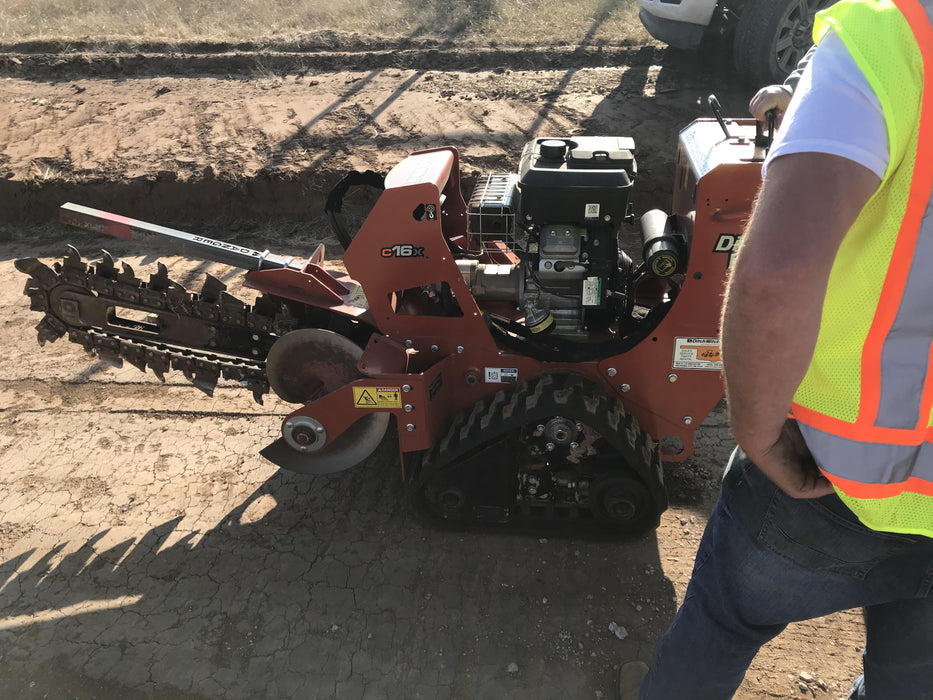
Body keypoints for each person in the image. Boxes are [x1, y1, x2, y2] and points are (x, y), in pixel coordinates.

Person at [619, 0, 933, 697]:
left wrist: (757, 429)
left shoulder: (893, 37)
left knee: (720, 625)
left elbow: (781, 271)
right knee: (910, 679)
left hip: (829, 478)